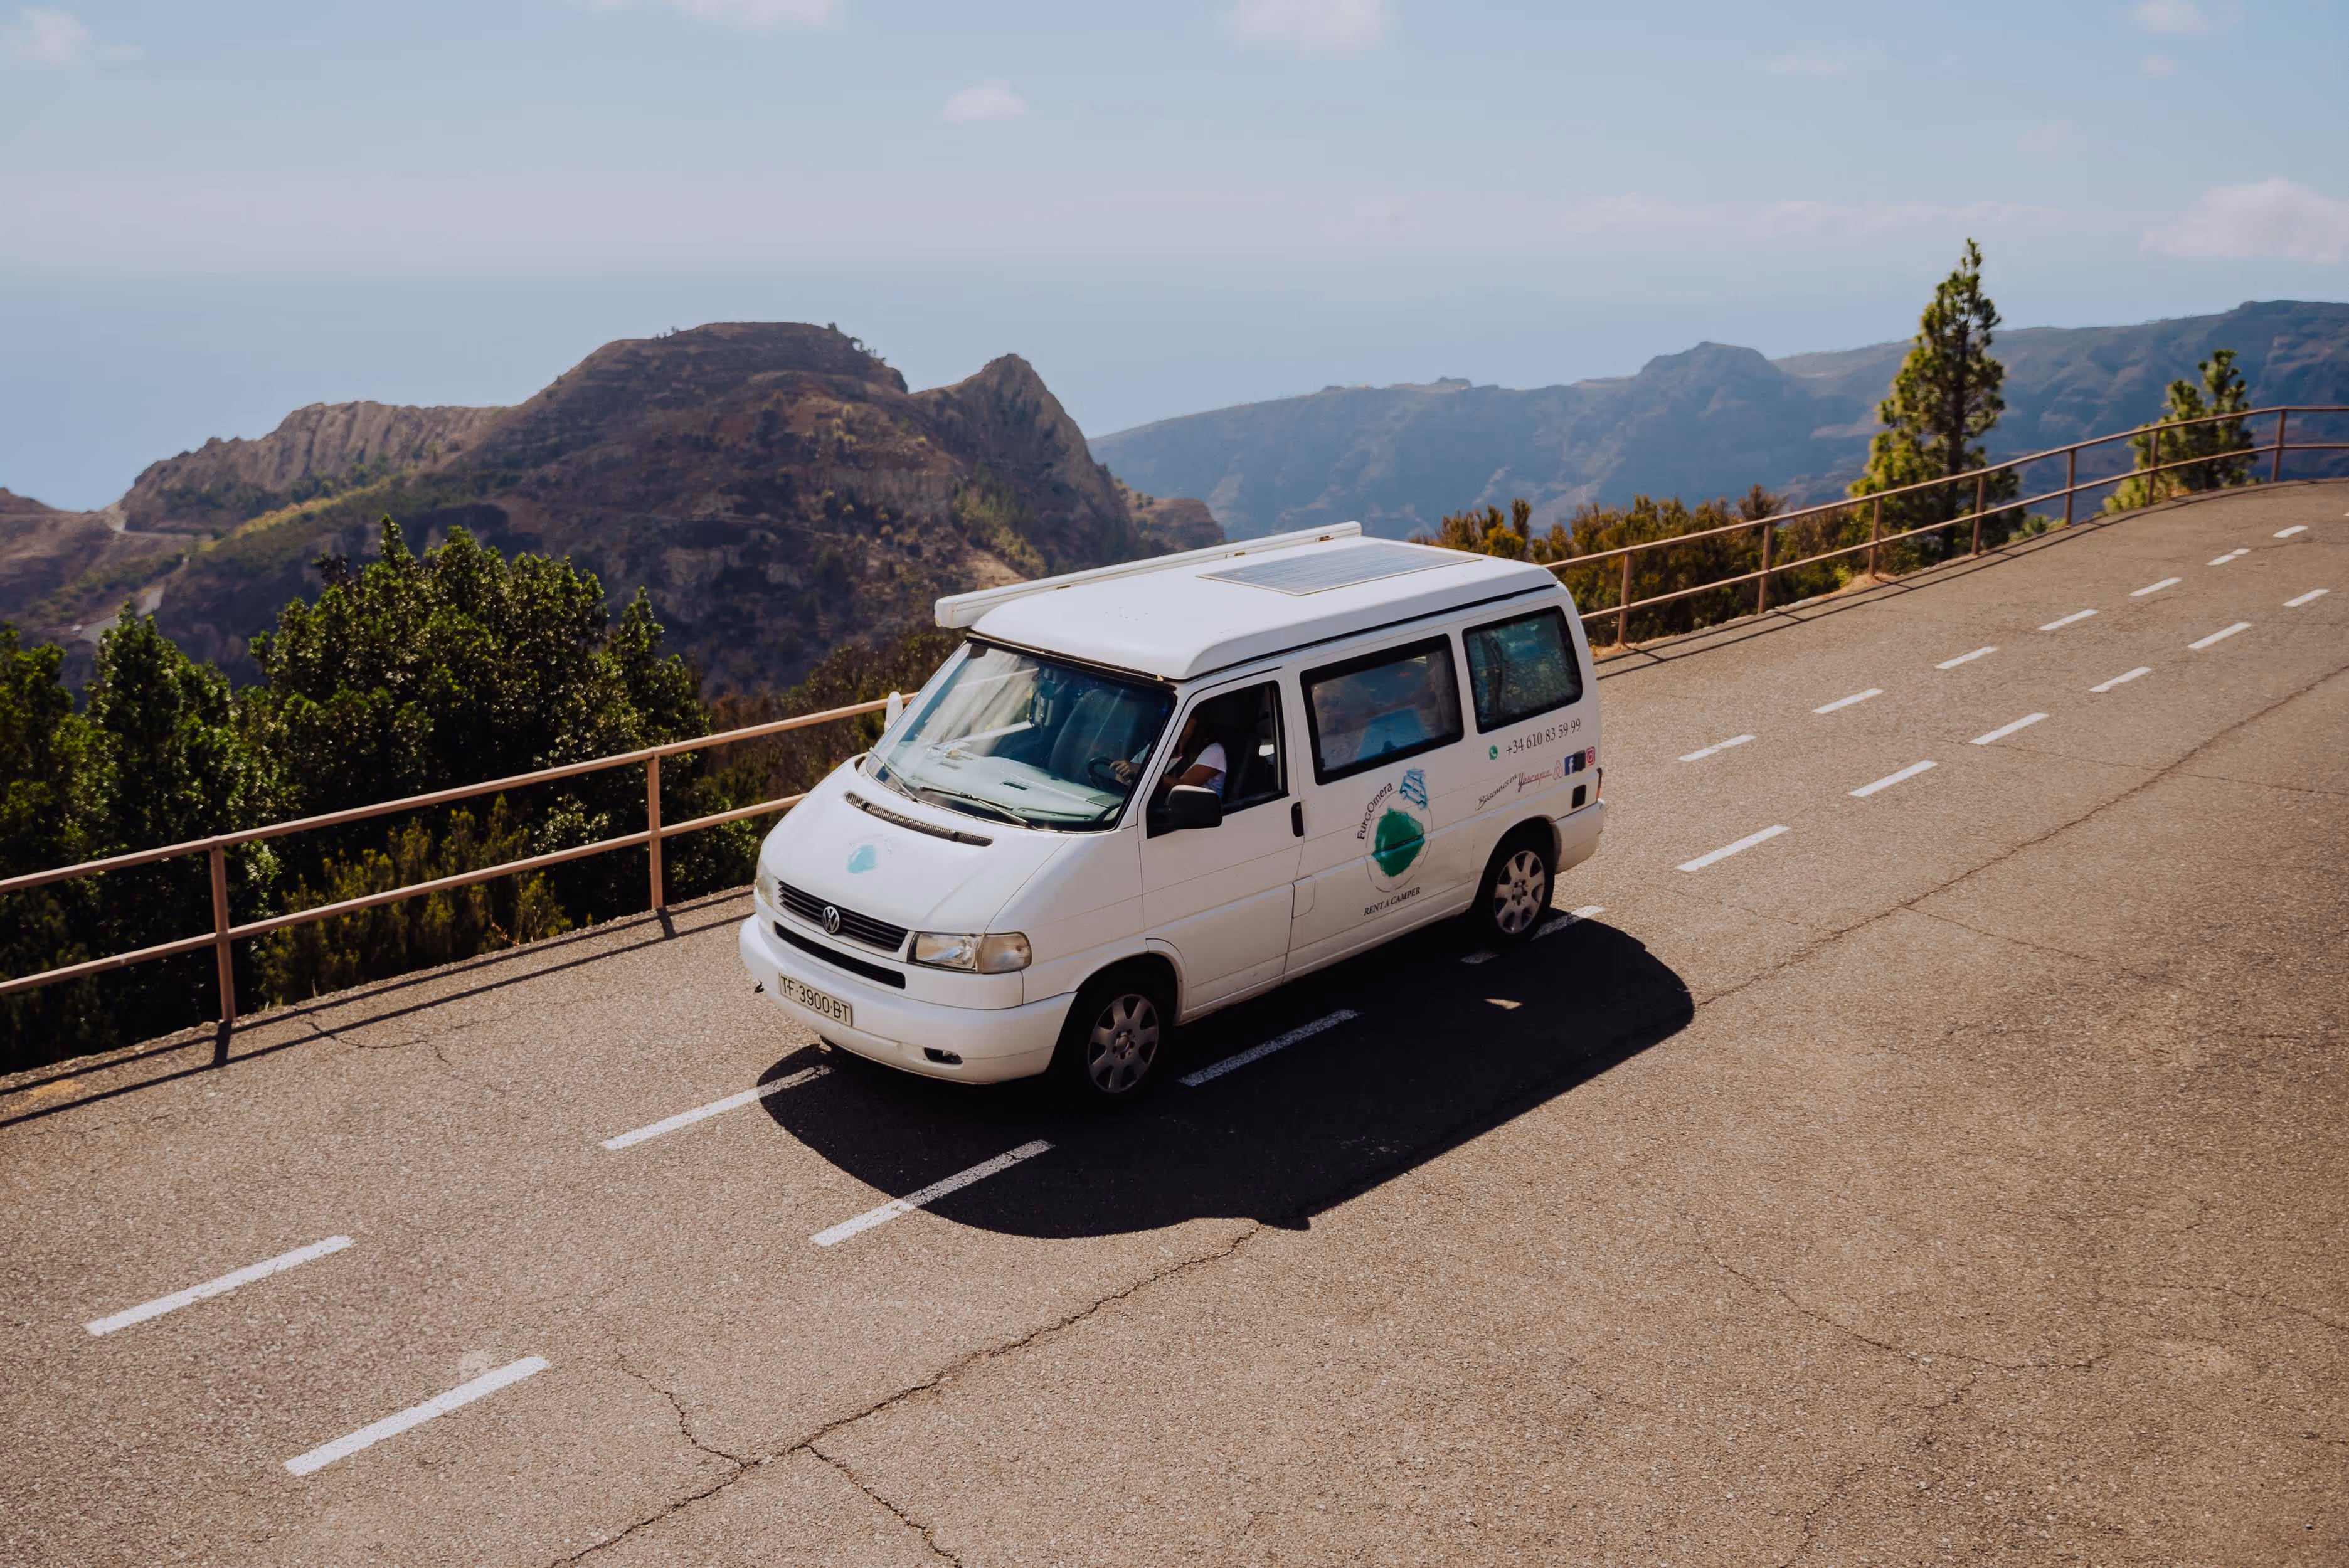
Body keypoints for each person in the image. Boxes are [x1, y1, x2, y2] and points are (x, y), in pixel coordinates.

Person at [1110, 712, 1227, 800]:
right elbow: (1128, 773)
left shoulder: (1214, 751)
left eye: (1185, 719)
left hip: (1192, 820)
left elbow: (1184, 788)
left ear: (1196, 722)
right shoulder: (1159, 745)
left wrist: (1143, 771)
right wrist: (1125, 775)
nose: (1178, 724)